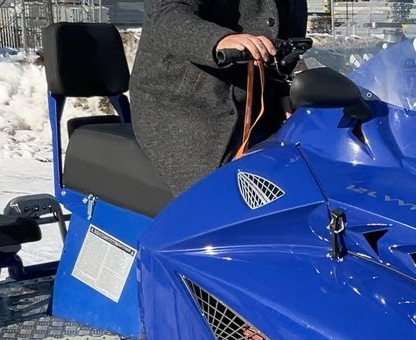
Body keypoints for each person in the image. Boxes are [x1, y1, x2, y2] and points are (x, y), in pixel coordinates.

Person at [132, 0, 308, 195]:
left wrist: (285, 89)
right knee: (221, 197)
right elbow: (166, 12)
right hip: (186, 103)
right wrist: (219, 40)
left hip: (257, 103)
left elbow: (289, 39)